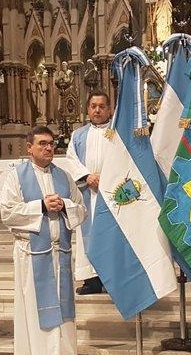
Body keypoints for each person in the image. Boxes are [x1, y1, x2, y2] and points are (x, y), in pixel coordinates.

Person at [0, 126, 86, 355]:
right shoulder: (16, 176)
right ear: (29, 147)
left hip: (61, 253)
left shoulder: (64, 176)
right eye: (42, 144)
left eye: (51, 144)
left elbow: (81, 209)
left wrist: (65, 205)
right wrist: (40, 205)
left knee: (63, 308)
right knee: (33, 309)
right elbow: (8, 213)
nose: (48, 148)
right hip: (32, 254)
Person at [61, 90, 113, 294]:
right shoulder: (78, 135)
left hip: (112, 192)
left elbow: (125, 159)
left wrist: (107, 179)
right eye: (93, 106)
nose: (97, 110)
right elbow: (71, 159)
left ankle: (111, 279)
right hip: (87, 191)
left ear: (110, 109)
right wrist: (86, 176)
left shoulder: (117, 132)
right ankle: (92, 280)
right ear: (88, 109)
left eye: (102, 106)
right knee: (87, 236)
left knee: (110, 235)